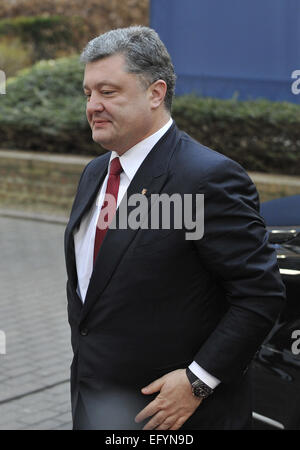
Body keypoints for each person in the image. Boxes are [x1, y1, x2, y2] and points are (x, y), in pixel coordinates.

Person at [64, 26, 286, 430]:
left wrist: (197, 382)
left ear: (156, 93)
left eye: (108, 92)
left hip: (174, 417)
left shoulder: (208, 178)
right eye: (88, 93)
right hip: (94, 404)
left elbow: (260, 294)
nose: (93, 105)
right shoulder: (96, 173)